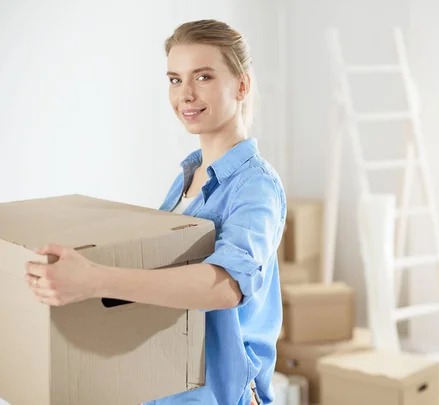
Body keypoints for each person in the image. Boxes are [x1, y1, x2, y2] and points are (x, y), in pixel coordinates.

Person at [24, 19, 285, 405]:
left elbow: (227, 286)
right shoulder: (188, 176)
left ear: (242, 86)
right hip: (167, 390)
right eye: (175, 80)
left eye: (204, 76)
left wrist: (96, 280)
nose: (186, 94)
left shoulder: (255, 186)